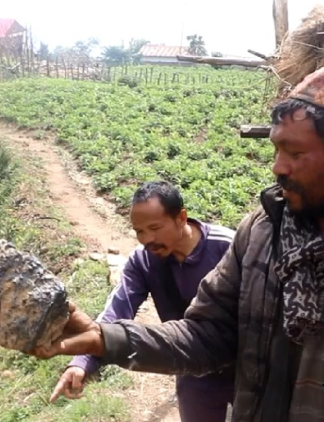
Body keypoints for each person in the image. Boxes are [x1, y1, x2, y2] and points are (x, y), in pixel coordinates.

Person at [33, 48, 324, 422]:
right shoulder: (262, 233)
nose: (278, 167)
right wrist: (106, 339)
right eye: (276, 150)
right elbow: (207, 335)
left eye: (295, 153)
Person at [50, 180, 236, 422]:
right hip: (192, 368)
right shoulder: (143, 261)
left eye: (155, 228)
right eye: (139, 231)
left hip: (245, 367)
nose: (147, 238)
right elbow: (117, 310)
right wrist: (82, 361)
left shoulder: (228, 247)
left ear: (181, 218)